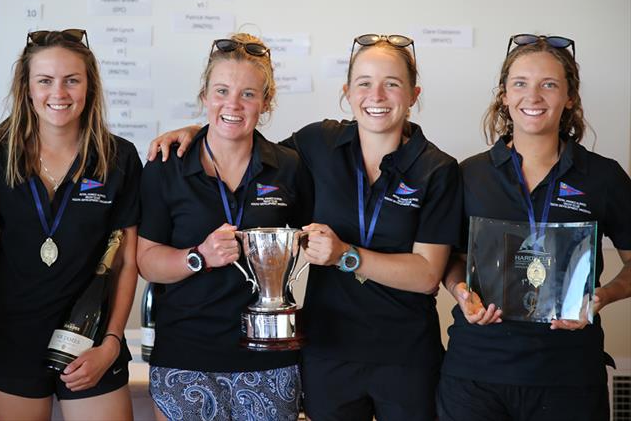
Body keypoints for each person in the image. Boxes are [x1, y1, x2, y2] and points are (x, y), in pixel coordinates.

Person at [148, 33, 461, 420]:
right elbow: (241, 140)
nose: (376, 95)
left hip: (405, 354)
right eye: (364, 83)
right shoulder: (318, 144)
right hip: (327, 351)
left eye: (391, 84)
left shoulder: (438, 169)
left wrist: (345, 255)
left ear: (413, 94)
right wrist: (196, 134)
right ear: (347, 91)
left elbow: (427, 274)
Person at [438, 34, 631, 421]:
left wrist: (602, 297)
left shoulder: (604, 176)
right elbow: (452, 260)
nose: (534, 96)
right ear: (504, 96)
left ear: (570, 97)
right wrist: (460, 291)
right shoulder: (468, 174)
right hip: (476, 374)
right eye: (521, 84)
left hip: (568, 374)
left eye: (549, 84)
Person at [137, 34, 314, 420]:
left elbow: (312, 241)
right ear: (204, 95)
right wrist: (199, 256)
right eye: (221, 90)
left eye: (248, 94)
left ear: (266, 102)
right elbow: (147, 261)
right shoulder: (167, 165)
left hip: (270, 358)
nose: (232, 104)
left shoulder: (289, 166)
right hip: (185, 355)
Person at [0, 29, 141, 421]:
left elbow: (126, 261)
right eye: (45, 81)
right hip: (12, 337)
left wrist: (111, 343)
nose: (60, 93)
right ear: (28, 88)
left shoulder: (118, 157)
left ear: (89, 86)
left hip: (91, 340)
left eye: (72, 80)